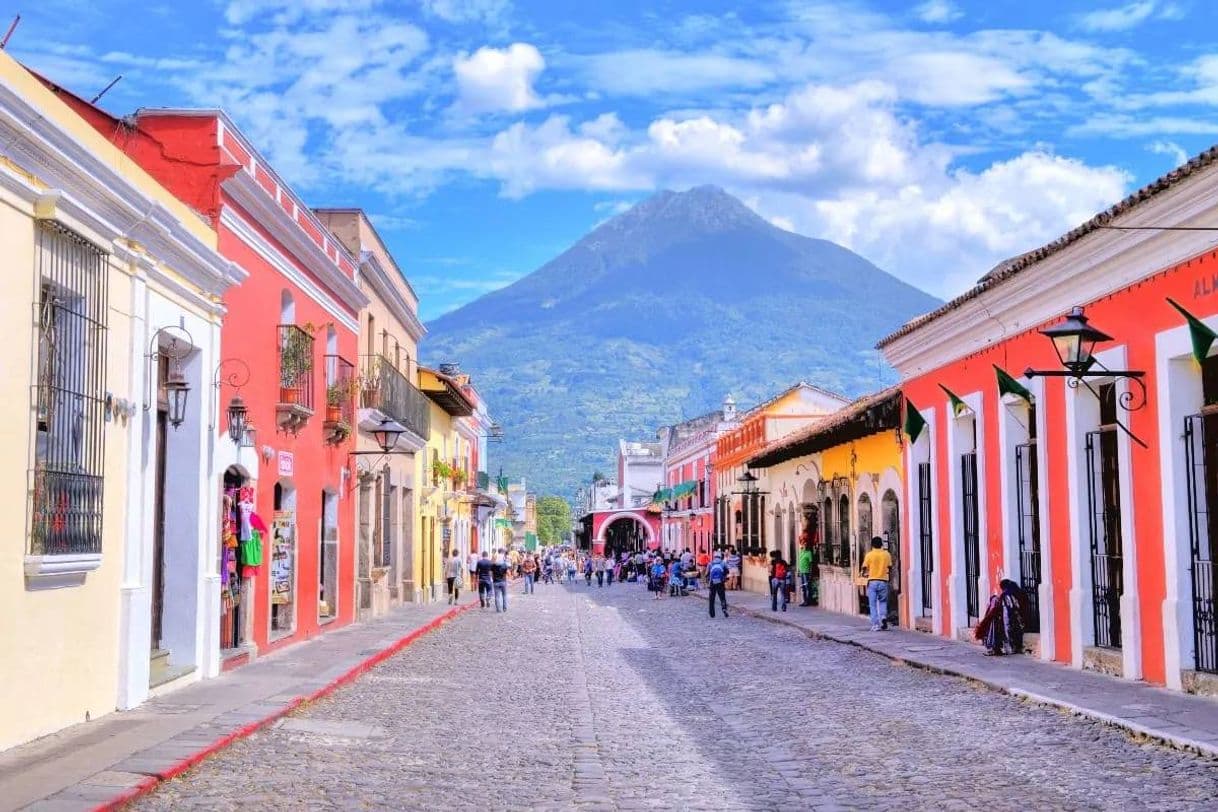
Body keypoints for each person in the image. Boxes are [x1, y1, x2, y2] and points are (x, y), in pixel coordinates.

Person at [976, 579, 1026, 655]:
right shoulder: (1018, 593)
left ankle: (1008, 648)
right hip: (1018, 618)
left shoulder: (1005, 596)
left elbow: (1007, 610)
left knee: (1007, 632)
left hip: (1010, 618)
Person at [861, 536, 893, 631]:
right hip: (883, 581)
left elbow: (864, 567)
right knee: (883, 601)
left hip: (872, 581)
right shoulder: (886, 554)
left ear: (872, 545)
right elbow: (890, 567)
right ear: (881, 544)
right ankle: (883, 616)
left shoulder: (869, 555)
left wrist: (863, 573)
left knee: (873, 604)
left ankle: (875, 624)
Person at [797, 535, 818, 607]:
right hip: (802, 571)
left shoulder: (809, 553)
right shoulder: (801, 551)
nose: (804, 544)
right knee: (803, 587)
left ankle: (808, 601)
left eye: (805, 543)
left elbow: (811, 563)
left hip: (807, 572)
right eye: (803, 543)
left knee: (807, 587)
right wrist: (799, 571)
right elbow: (799, 562)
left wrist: (810, 573)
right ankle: (805, 600)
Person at [707, 552, 729, 618]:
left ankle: (712, 613)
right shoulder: (723, 563)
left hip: (712, 582)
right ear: (720, 557)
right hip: (720, 582)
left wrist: (708, 580)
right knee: (722, 597)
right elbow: (727, 571)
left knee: (711, 598)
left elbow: (707, 574)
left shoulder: (710, 563)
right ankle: (724, 608)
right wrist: (724, 577)